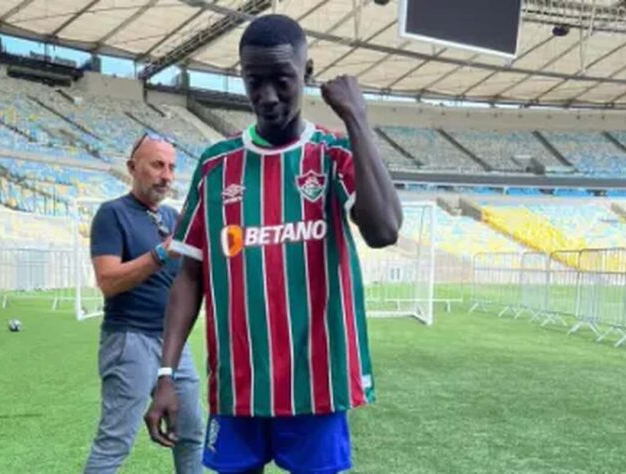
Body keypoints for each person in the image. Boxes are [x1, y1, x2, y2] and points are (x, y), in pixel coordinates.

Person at [144, 14, 403, 474]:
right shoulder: (216, 165)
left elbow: (384, 231)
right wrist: (165, 373)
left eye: (281, 80)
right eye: (253, 81)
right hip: (238, 388)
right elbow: (190, 275)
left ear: (306, 71)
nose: (266, 96)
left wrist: (357, 119)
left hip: (316, 389)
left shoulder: (334, 155)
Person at [84, 133, 204, 474]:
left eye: (171, 167)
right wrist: (162, 252)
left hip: (174, 345)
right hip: (129, 340)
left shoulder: (173, 217)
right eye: (157, 165)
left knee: (191, 434)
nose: (166, 175)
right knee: (114, 444)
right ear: (132, 168)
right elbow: (107, 281)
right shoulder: (112, 214)